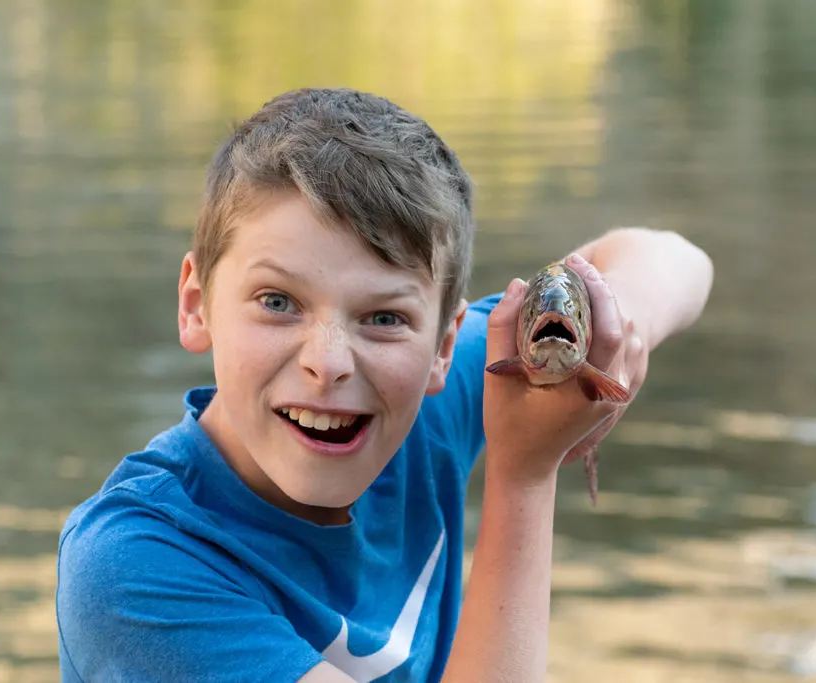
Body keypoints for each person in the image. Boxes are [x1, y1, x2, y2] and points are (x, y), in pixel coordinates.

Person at [55, 87, 713, 683]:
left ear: (443, 347)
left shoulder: (425, 400)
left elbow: (676, 258)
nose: (330, 362)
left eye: (384, 317)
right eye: (278, 301)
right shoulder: (133, 568)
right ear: (197, 304)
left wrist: (610, 334)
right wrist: (526, 472)